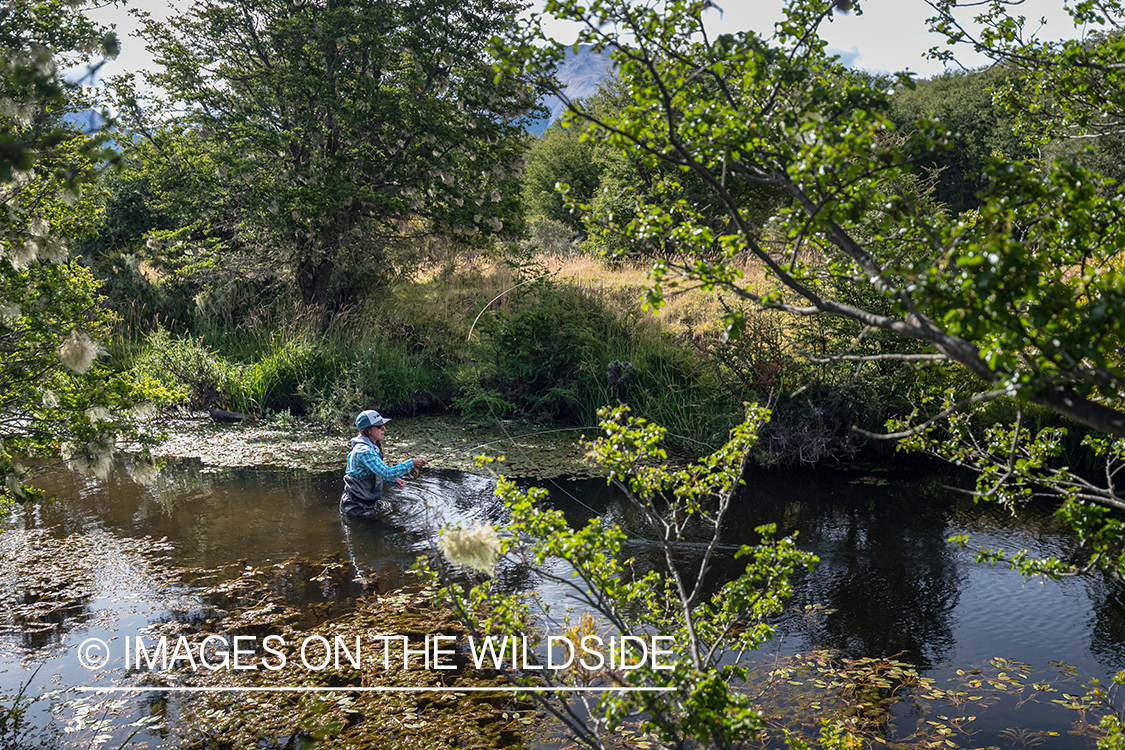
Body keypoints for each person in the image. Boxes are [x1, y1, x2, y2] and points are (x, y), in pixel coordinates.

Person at [340, 409, 429, 520]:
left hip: (363, 506)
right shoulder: (364, 451)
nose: (384, 428)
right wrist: (411, 463)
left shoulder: (370, 447)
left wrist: (393, 480)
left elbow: (376, 473)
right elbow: (386, 472)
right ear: (368, 430)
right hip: (357, 510)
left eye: (383, 425)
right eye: (379, 426)